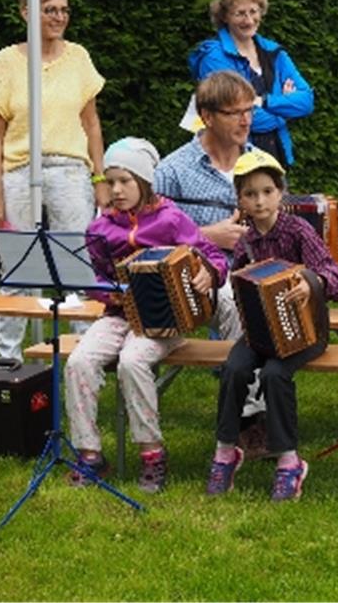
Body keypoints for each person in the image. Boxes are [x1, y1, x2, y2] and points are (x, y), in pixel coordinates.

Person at [65, 138, 228, 491]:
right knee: (79, 361)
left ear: (144, 181)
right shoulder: (100, 228)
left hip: (164, 320)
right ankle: (90, 454)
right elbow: (94, 279)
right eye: (110, 182)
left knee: (133, 361)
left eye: (125, 180)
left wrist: (209, 273)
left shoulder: (171, 219)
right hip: (117, 315)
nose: (117, 190)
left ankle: (152, 453)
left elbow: (212, 255)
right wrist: (112, 293)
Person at [0, 0, 110, 361]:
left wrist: (100, 178)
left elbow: (91, 124)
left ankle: (85, 354)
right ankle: (9, 357)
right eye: (50, 9)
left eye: (64, 10)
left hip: (70, 169)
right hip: (19, 170)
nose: (59, 17)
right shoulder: (7, 60)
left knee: (76, 263)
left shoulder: (79, 57)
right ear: (26, 12)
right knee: (16, 267)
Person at [206, 150, 338, 501]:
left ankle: (289, 461)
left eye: (267, 191)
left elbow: (333, 275)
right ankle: (226, 450)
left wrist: (308, 282)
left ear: (280, 192)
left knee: (273, 375)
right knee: (234, 369)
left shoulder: (297, 230)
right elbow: (239, 280)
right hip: (262, 331)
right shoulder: (247, 240)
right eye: (250, 194)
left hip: (306, 329)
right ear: (240, 199)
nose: (260, 200)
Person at [188, 0, 314, 168]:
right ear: (224, 16)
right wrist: (286, 109)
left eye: (253, 11)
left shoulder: (274, 52)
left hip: (275, 158)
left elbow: (306, 101)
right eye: (239, 13)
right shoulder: (213, 58)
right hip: (232, 161)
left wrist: (262, 102)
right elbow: (238, 119)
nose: (249, 20)